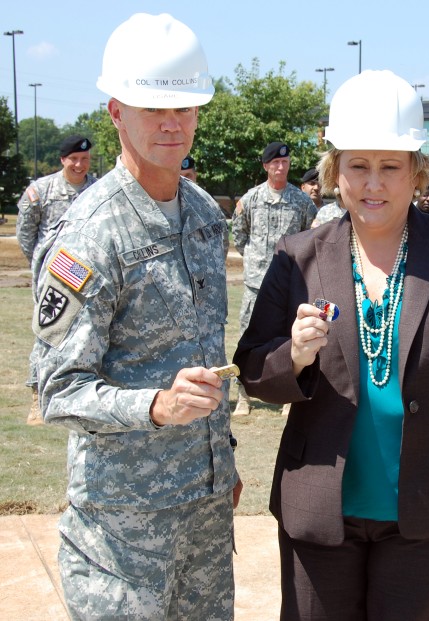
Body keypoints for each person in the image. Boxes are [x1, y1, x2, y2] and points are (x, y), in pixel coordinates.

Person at [234, 70, 429, 621]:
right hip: (322, 514)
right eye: (358, 165)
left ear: (416, 174)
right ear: (335, 173)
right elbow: (254, 370)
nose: (372, 183)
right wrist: (294, 357)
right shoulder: (296, 256)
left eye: (389, 167)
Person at [31, 13, 241, 619]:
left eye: (184, 108)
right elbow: (58, 391)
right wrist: (156, 406)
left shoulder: (202, 213)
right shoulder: (90, 236)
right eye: (153, 109)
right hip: (122, 528)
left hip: (203, 513)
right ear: (116, 111)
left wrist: (218, 456)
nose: (171, 124)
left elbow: (201, 352)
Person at [232, 141, 317, 416]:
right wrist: (255, 261)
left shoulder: (302, 202)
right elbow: (239, 235)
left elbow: (310, 239)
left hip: (290, 284)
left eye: (285, 162)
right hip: (256, 283)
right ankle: (243, 397)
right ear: (266, 166)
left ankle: (287, 397)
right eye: (275, 163)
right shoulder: (252, 199)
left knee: (290, 338)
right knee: (248, 337)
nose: (281, 167)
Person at [16, 134, 97, 425]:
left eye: (85, 159)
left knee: (86, 332)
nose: (79, 164)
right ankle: (38, 397)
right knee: (48, 332)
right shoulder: (41, 190)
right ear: (63, 159)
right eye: (74, 159)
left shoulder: (96, 190)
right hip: (53, 275)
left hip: (86, 274)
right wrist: (42, 266)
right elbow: (26, 235)